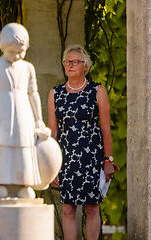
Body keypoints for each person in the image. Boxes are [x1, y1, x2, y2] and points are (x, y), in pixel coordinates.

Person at [47, 45, 115, 240]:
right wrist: (52, 165)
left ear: (86, 66)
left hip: (92, 157)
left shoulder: (97, 91)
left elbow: (105, 129)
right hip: (66, 158)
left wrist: (108, 159)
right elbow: (53, 132)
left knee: (92, 207)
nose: (70, 65)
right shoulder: (55, 94)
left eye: (75, 61)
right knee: (68, 208)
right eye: (67, 62)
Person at [0, 23, 47, 199]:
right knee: (1, 145)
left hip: (23, 113)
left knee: (23, 145)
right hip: (0, 112)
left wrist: (39, 119)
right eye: (12, 52)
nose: (17, 56)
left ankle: (23, 183)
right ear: (3, 47)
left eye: (21, 52)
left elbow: (33, 93)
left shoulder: (28, 68)